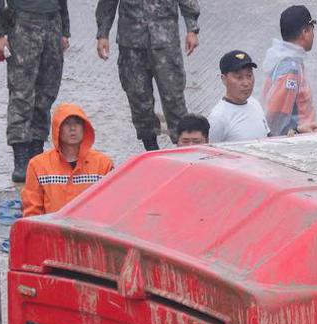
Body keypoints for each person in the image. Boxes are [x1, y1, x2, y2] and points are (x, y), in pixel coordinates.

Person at [94, 0, 201, 151]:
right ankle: (151, 150)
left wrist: (192, 29)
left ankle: (183, 148)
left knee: (173, 99)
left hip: (165, 43)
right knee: (139, 101)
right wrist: (102, 34)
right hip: (131, 44)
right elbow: (107, 3)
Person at [0, 0, 70, 183]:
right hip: (23, 24)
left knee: (47, 93)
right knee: (21, 94)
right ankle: (21, 159)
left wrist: (65, 30)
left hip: (53, 23)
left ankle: (37, 154)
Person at [22, 103, 115, 217]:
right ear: (57, 129)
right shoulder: (37, 165)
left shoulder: (103, 164)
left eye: (77, 123)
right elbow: (32, 213)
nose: (73, 128)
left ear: (84, 128)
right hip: (52, 233)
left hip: (89, 232)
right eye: (66, 123)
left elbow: (111, 209)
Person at [262, 5, 317, 137]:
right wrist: (295, 131)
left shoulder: (286, 60)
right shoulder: (290, 69)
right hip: (296, 143)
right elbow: (275, 117)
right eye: (312, 29)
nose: (314, 35)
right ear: (305, 32)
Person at [207, 50, 269, 143]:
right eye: (239, 77)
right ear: (224, 79)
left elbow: (268, 135)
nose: (246, 83)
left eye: (249, 75)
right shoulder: (218, 119)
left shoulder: (254, 103)